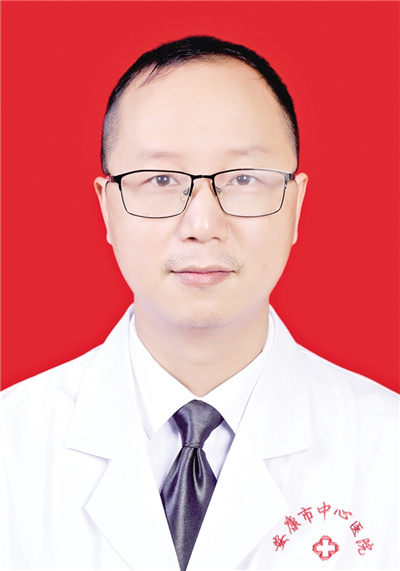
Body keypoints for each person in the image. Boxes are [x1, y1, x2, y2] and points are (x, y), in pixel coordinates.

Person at [1, 36, 398, 570]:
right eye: (162, 179)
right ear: (107, 208)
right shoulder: (11, 447)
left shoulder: (387, 448)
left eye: (243, 179)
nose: (202, 225)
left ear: (296, 204)